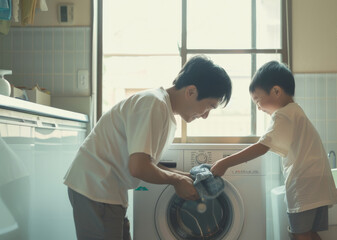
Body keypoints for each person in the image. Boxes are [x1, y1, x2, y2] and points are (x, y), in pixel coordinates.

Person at [64, 55, 232, 240]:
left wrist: (186, 177)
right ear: (191, 92)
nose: (205, 115)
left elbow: (145, 162)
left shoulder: (162, 109)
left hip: (106, 188)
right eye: (208, 106)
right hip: (96, 187)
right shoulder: (153, 104)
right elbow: (139, 168)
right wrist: (176, 180)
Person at [211, 60, 337, 240]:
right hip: (318, 182)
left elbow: (262, 147)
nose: (258, 107)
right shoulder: (296, 111)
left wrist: (225, 163)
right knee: (310, 233)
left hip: (305, 184)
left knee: (299, 234)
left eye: (258, 100)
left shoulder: (283, 114)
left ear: (276, 91)